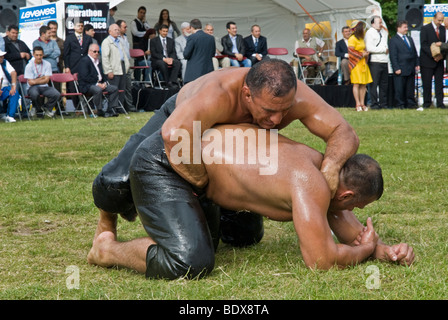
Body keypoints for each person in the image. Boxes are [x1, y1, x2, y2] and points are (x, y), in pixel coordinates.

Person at [89, 59, 360, 279]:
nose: (277, 120)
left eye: (284, 110)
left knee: (245, 236)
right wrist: (203, 184)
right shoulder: (218, 95)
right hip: (184, 122)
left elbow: (343, 131)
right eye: (268, 111)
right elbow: (174, 135)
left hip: (223, 148)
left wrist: (331, 167)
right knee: (116, 182)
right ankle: (106, 227)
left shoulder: (292, 95)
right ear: (246, 94)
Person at [88, 123, 414, 278]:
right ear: (346, 193)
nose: (352, 213)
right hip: (166, 160)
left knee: (244, 235)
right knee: (190, 263)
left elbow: (337, 216)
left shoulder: (323, 168)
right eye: (356, 206)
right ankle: (107, 249)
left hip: (198, 173)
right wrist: (365, 250)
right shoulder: (309, 181)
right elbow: (322, 261)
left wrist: (384, 249)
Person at [78, 43, 119, 118]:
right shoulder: (84, 61)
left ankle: (111, 110)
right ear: (89, 51)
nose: (97, 53)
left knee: (114, 88)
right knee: (98, 89)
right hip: (87, 85)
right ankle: (99, 110)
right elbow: (85, 77)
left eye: (98, 52)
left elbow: (102, 75)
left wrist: (105, 83)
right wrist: (97, 84)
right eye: (95, 51)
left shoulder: (98, 61)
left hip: (99, 84)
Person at [388, 20, 419, 110]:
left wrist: (417, 63)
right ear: (399, 28)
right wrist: (396, 68)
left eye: (406, 27)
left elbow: (414, 52)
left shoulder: (409, 39)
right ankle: (400, 104)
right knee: (399, 88)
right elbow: (393, 56)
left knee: (410, 88)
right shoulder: (393, 40)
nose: (407, 29)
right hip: (400, 68)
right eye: (404, 27)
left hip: (410, 67)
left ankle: (410, 103)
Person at [23, 46, 61, 118]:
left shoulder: (47, 64)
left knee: (56, 94)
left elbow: (47, 80)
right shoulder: (29, 66)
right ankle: (39, 110)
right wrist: (42, 78)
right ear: (33, 55)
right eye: (37, 55)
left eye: (40, 55)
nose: (39, 57)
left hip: (44, 87)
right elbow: (31, 83)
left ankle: (45, 108)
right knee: (34, 94)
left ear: (43, 55)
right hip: (32, 87)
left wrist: (36, 80)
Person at [420, 11, 446, 109]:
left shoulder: (443, 29)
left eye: (442, 20)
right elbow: (424, 45)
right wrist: (433, 55)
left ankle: (440, 103)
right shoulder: (425, 29)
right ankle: (427, 103)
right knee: (427, 84)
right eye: (439, 20)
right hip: (427, 61)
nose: (440, 22)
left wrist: (441, 56)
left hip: (439, 61)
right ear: (434, 19)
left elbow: (444, 44)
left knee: (439, 83)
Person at [101, 23, 130, 107]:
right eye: (115, 30)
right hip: (113, 69)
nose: (117, 31)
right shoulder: (106, 42)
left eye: (118, 30)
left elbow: (124, 54)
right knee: (114, 89)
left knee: (122, 89)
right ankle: (113, 107)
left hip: (122, 67)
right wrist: (109, 70)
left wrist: (127, 66)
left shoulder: (119, 41)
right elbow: (105, 58)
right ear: (109, 31)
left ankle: (120, 107)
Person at [365, 16, 389, 110]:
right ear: (373, 24)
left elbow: (386, 36)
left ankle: (383, 103)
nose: (380, 24)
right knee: (374, 84)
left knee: (384, 84)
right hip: (375, 61)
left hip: (384, 61)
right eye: (378, 22)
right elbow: (370, 48)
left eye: (381, 22)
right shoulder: (370, 32)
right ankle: (374, 104)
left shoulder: (383, 32)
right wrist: (383, 50)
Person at [348, 20, 372, 112]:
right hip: (355, 64)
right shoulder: (352, 38)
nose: (363, 29)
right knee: (356, 84)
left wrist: (366, 53)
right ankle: (357, 103)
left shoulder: (361, 39)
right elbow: (351, 52)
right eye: (362, 27)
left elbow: (364, 48)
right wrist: (362, 54)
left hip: (363, 64)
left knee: (363, 84)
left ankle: (362, 103)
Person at [183, 19, 215, 84]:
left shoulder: (192, 37)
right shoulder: (211, 38)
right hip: (208, 72)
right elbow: (212, 54)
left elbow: (186, 54)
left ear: (191, 27)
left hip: (194, 73)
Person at [150, 24, 181, 88]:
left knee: (177, 63)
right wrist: (164, 59)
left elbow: (173, 52)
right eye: (163, 31)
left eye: (166, 31)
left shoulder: (171, 40)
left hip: (169, 58)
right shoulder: (154, 41)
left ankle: (172, 81)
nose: (165, 33)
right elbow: (154, 53)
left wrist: (171, 59)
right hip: (158, 60)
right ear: (160, 31)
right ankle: (167, 82)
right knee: (162, 63)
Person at [0, 49, 19, 123]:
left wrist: (13, 86)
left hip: (4, 87)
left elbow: (13, 73)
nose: (2, 58)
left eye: (2, 56)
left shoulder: (5, 62)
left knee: (14, 93)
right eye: (0, 57)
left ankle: (10, 116)